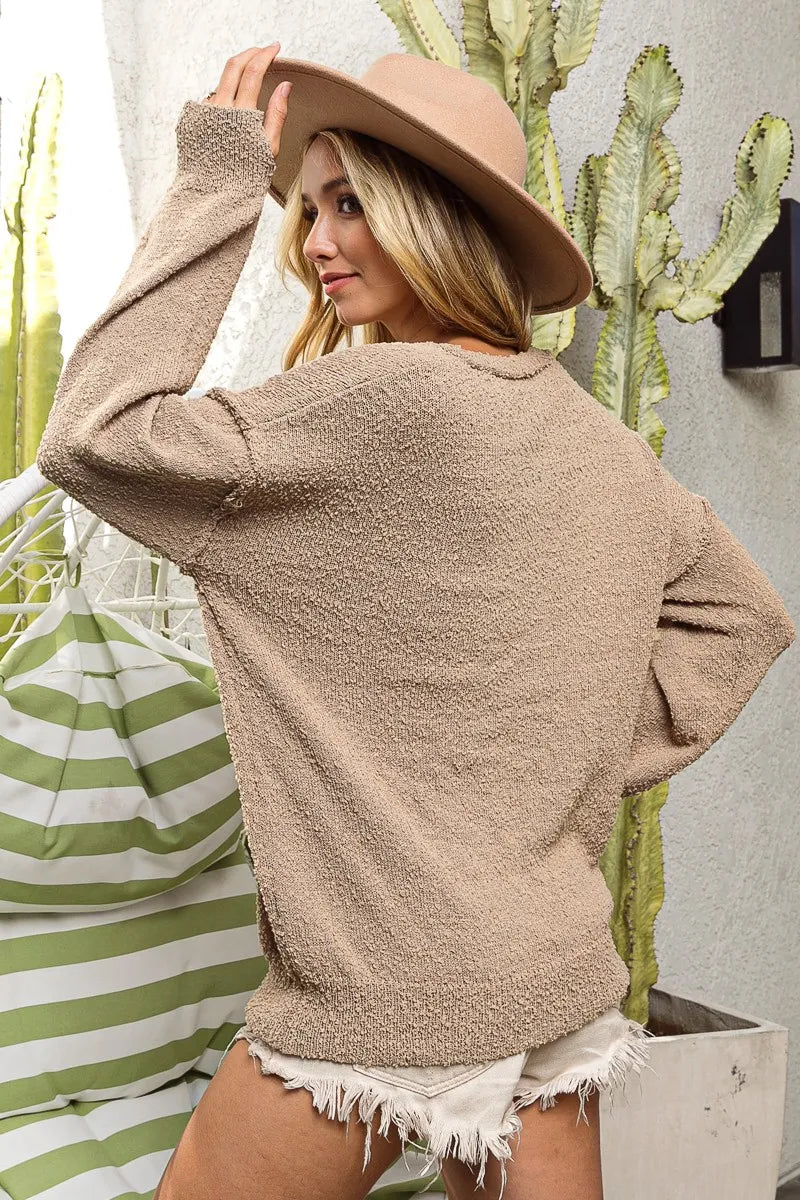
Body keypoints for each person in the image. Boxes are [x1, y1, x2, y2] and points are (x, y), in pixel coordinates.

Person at [36, 44, 795, 1200]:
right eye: (303, 205)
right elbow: (742, 618)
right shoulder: (602, 448)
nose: (316, 241)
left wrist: (214, 186)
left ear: (433, 215)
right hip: (548, 977)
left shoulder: (372, 404)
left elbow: (91, 435)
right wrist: (560, 761)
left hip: (385, 987)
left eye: (352, 203)